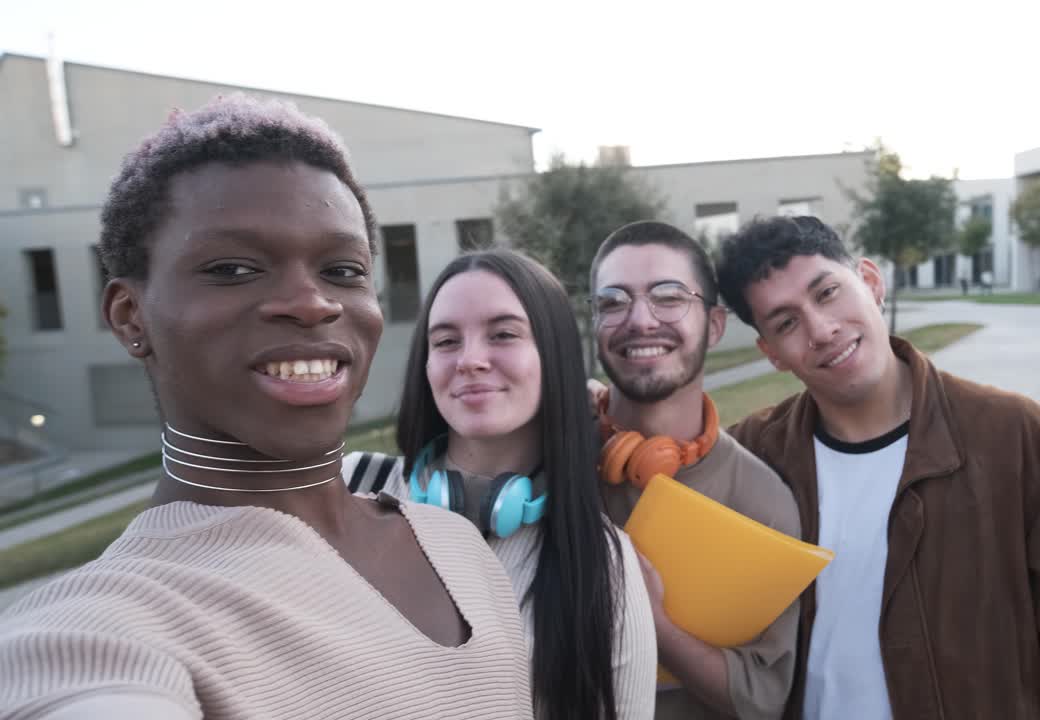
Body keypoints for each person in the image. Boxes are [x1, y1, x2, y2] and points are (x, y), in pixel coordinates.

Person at [0, 95, 532, 718]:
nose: (312, 303)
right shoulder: (101, 626)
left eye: (343, 270)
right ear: (129, 316)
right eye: (233, 269)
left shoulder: (458, 545)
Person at [714, 215, 1040, 720]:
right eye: (786, 323)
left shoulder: (1016, 439)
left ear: (871, 282)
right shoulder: (752, 457)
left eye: (828, 293)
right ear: (770, 353)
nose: (822, 329)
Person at [345, 249, 656, 720]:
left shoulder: (602, 564)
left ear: (553, 356)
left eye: (503, 334)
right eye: (446, 341)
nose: (470, 360)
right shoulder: (348, 486)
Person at [589, 221, 801, 720]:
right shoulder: (544, 460)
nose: (640, 320)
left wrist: (653, 622)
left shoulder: (762, 502)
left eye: (668, 297)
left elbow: (762, 699)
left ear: (715, 325)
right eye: (613, 302)